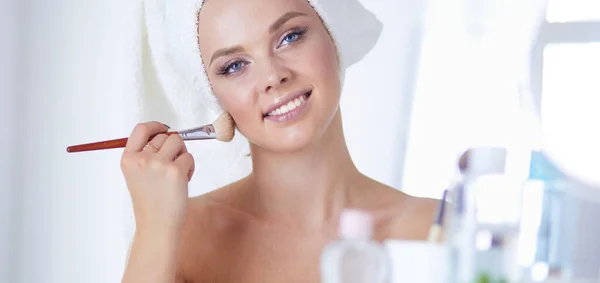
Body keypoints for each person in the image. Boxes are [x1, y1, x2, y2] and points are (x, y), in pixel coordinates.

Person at [120, 0, 437, 282]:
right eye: (234, 66)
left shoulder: (437, 232)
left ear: (333, 32)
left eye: (290, 37)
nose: (273, 76)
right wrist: (154, 230)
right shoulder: (185, 238)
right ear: (212, 93)